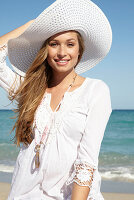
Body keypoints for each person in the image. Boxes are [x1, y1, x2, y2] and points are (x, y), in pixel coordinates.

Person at [0, 0, 112, 199]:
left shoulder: (96, 91)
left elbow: (86, 163)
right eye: (53, 44)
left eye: (70, 44)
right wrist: (33, 26)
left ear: (80, 51)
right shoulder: (30, 89)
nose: (62, 53)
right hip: (24, 194)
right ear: (45, 50)